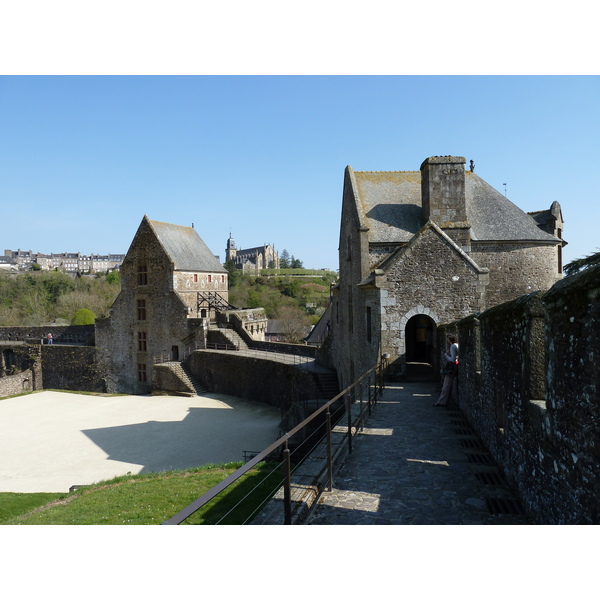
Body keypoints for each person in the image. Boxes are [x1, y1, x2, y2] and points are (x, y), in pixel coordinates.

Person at [434, 334, 458, 406]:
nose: (446, 340)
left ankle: (441, 402)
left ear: (449, 339)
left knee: (445, 386)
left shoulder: (453, 346)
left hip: (451, 368)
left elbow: (453, 359)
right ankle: (442, 401)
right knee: (446, 385)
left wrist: (446, 355)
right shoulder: (456, 345)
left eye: (447, 339)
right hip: (453, 367)